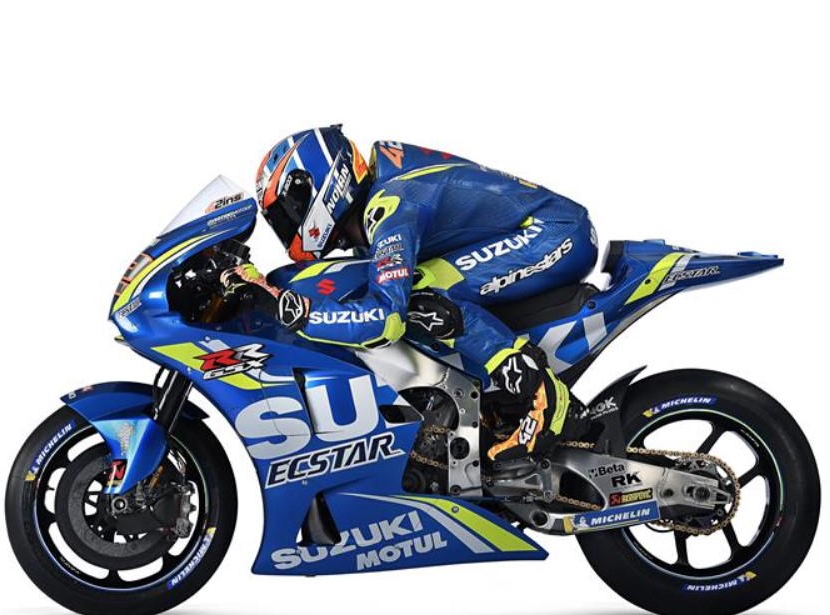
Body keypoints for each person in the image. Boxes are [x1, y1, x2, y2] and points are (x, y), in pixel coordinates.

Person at [222, 125, 597, 463]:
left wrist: (297, 311)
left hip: (554, 232)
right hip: (542, 230)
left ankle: (543, 393)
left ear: (319, 183)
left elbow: (386, 320)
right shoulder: (379, 202)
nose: (288, 224)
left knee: (420, 292)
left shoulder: (391, 202)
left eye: (288, 211)